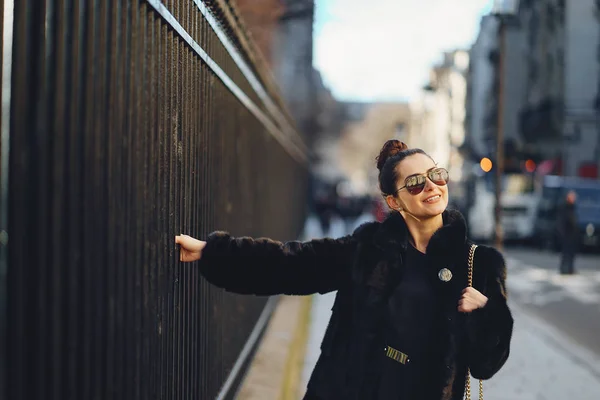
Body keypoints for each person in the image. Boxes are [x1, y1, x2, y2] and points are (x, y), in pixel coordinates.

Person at [175, 140, 514, 400]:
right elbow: (291, 264)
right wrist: (214, 253)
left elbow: (485, 364)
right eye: (414, 182)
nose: (431, 187)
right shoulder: (366, 250)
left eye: (436, 175)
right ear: (394, 201)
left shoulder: (478, 264)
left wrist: (486, 313)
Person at [559, 190, 579, 275]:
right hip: (566, 234)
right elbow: (562, 221)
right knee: (565, 253)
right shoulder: (565, 208)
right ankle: (564, 269)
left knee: (571, 254)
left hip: (572, 235)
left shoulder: (572, 207)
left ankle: (570, 268)